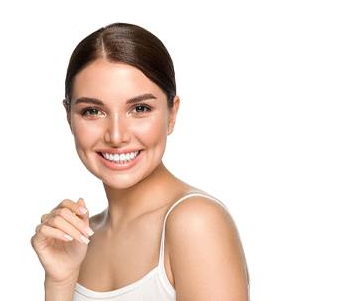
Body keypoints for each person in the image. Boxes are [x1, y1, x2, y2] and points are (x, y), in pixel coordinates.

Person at [30, 22, 250, 301]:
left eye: (140, 109)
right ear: (68, 117)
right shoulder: (80, 240)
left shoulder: (195, 222)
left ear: (172, 114)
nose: (117, 136)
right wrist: (59, 283)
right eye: (93, 111)